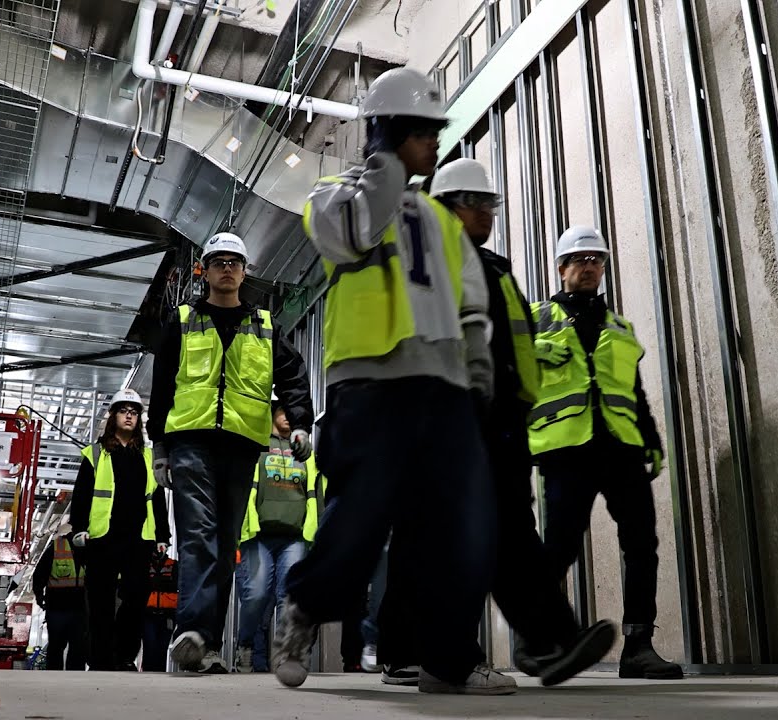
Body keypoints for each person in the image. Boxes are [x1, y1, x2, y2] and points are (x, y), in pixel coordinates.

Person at [271, 67, 514, 695]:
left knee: (465, 525)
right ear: (392, 131)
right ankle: (301, 606)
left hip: (443, 390)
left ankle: (448, 658)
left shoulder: (438, 220)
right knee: (361, 523)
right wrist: (384, 167)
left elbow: (469, 301)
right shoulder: (331, 195)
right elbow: (353, 233)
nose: (436, 144)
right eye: (424, 132)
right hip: (370, 387)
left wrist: (479, 370)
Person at [375, 158, 618, 687]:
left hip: (501, 423)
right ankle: (429, 654)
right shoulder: (425, 267)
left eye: (490, 203)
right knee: (440, 540)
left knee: (509, 535)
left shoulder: (496, 270)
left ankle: (550, 642)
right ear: (446, 207)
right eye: (476, 203)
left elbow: (513, 348)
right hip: (448, 419)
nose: (487, 212)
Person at [148, 232, 315, 673]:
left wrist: (299, 424)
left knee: (224, 548)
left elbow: (294, 376)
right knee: (199, 536)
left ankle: (205, 647)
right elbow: (162, 385)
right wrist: (159, 446)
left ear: (245, 272)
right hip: (191, 440)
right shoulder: (183, 320)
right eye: (218, 261)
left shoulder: (264, 325)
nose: (227, 268)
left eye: (234, 262)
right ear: (204, 270)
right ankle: (194, 632)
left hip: (242, 447)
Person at [527, 226, 683, 680]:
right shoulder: (536, 317)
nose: (590, 267)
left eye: (597, 259)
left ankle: (638, 646)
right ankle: (541, 638)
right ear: (561, 269)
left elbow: (632, 392)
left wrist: (651, 439)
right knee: (558, 546)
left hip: (621, 448)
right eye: (580, 260)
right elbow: (504, 366)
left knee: (642, 545)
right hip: (565, 448)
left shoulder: (619, 327)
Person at [68, 389, 170, 671]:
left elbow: (157, 499)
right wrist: (79, 529)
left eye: (134, 412)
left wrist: (163, 536)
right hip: (103, 538)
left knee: (136, 599)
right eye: (123, 410)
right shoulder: (96, 453)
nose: (129, 415)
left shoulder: (148, 457)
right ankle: (100, 659)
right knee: (100, 602)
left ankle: (124, 657)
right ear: (113, 416)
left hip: (139, 539)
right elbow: (82, 495)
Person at [233, 403, 325, 673]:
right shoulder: (257, 443)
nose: (287, 416)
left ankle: (289, 654)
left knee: (290, 598)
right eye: (282, 410)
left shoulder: (306, 452)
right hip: (257, 533)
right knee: (256, 594)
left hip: (295, 536)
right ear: (272, 413)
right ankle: (245, 647)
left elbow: (316, 493)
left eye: (291, 412)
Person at [32, 520, 87, 671]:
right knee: (56, 646)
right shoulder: (57, 547)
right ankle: (54, 677)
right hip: (57, 608)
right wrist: (39, 595)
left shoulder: (91, 550)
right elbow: (39, 574)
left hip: (80, 609)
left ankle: (74, 680)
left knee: (78, 647)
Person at [140, 553, 178, 672]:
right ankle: (147, 671)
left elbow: (178, 585)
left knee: (162, 647)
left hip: (168, 613)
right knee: (149, 645)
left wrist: (157, 584)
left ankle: (159, 673)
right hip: (148, 613)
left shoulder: (173, 565)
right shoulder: (145, 564)